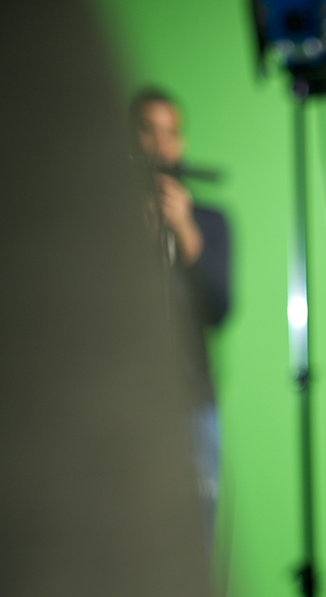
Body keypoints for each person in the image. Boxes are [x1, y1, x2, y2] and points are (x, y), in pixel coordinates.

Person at [132, 87, 233, 550]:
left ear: (182, 143)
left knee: (197, 549)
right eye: (148, 132)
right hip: (126, 407)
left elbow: (218, 309)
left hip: (194, 407)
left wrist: (186, 232)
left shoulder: (211, 221)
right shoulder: (105, 223)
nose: (160, 144)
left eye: (170, 133)